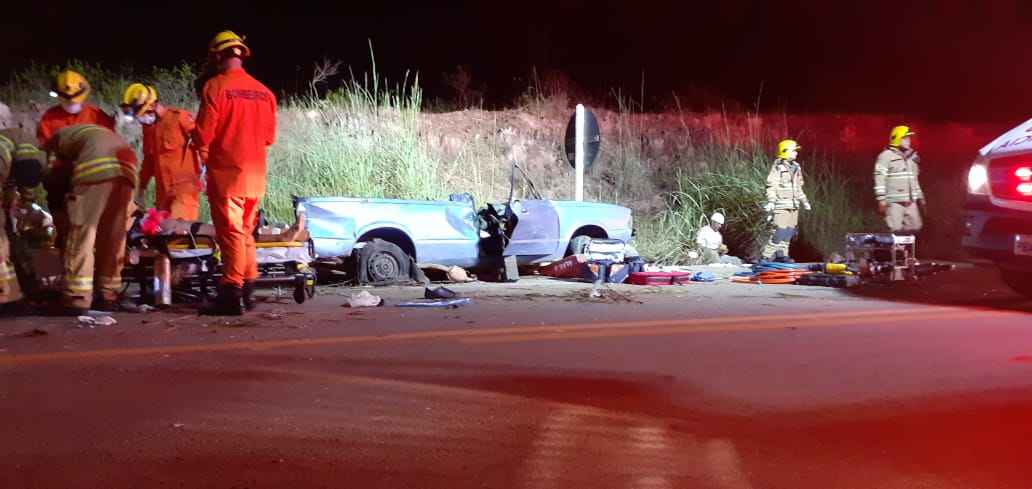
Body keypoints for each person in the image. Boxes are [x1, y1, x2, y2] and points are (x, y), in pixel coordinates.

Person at [194, 30, 277, 315]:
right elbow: (268, 138)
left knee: (230, 234)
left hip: (227, 177)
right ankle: (248, 290)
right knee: (245, 233)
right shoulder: (265, 92)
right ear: (241, 54)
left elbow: (203, 136)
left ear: (218, 55)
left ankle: (231, 294)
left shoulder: (215, 87)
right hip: (255, 178)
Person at [42, 124, 137, 315]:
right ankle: (109, 294)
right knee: (112, 237)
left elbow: (54, 178)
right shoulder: (90, 134)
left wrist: (61, 213)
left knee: (82, 234)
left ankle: (77, 298)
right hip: (127, 173)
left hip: (95, 173)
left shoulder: (53, 144)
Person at [122, 83, 203, 220]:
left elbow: (204, 142)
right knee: (161, 236)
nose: (143, 119)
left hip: (183, 191)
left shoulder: (179, 118)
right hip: (162, 195)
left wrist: (208, 173)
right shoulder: (148, 128)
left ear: (153, 106)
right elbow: (148, 161)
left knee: (177, 235)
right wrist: (141, 189)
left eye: (145, 113)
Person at [0, 128, 45, 314]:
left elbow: (21, 186)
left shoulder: (21, 155)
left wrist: (26, 204)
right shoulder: (5, 158)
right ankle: (6, 297)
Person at [762, 139, 811, 262]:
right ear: (786, 151)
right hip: (782, 205)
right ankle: (766, 256)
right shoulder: (778, 167)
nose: (796, 153)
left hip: (794, 205)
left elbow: (798, 187)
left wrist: (804, 201)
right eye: (794, 151)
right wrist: (771, 201)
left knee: (789, 231)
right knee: (779, 231)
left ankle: (782, 254)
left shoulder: (796, 168)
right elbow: (771, 185)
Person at [37, 70, 116, 147]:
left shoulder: (96, 115)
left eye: (73, 100)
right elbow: (45, 143)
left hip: (91, 157)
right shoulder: (49, 117)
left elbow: (110, 138)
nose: (71, 103)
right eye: (67, 99)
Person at [874, 125, 925, 234]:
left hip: (911, 202)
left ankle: (907, 250)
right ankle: (895, 250)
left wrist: (920, 197)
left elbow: (914, 179)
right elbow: (879, 178)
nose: (908, 141)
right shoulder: (885, 156)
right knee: (895, 231)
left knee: (916, 228)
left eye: (909, 138)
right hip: (894, 203)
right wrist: (881, 200)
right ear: (897, 139)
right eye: (905, 138)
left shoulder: (912, 158)